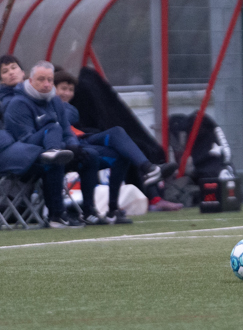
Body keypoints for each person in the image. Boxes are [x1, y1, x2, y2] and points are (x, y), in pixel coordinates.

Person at [54, 70, 175, 224]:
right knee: (100, 150)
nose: (67, 93)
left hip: (82, 141)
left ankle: (114, 208)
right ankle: (149, 170)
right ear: (54, 88)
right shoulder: (56, 106)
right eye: (63, 89)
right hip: (71, 148)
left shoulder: (69, 108)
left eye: (71, 90)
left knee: (119, 141)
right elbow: (68, 121)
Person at [4, 61, 89, 227]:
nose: (47, 84)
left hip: (48, 150)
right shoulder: (18, 103)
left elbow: (67, 129)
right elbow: (24, 140)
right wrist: (51, 140)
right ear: (30, 80)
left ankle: (90, 213)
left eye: (50, 80)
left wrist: (72, 145)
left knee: (90, 155)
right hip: (23, 155)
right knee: (53, 141)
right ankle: (56, 215)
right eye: (41, 79)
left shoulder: (55, 101)